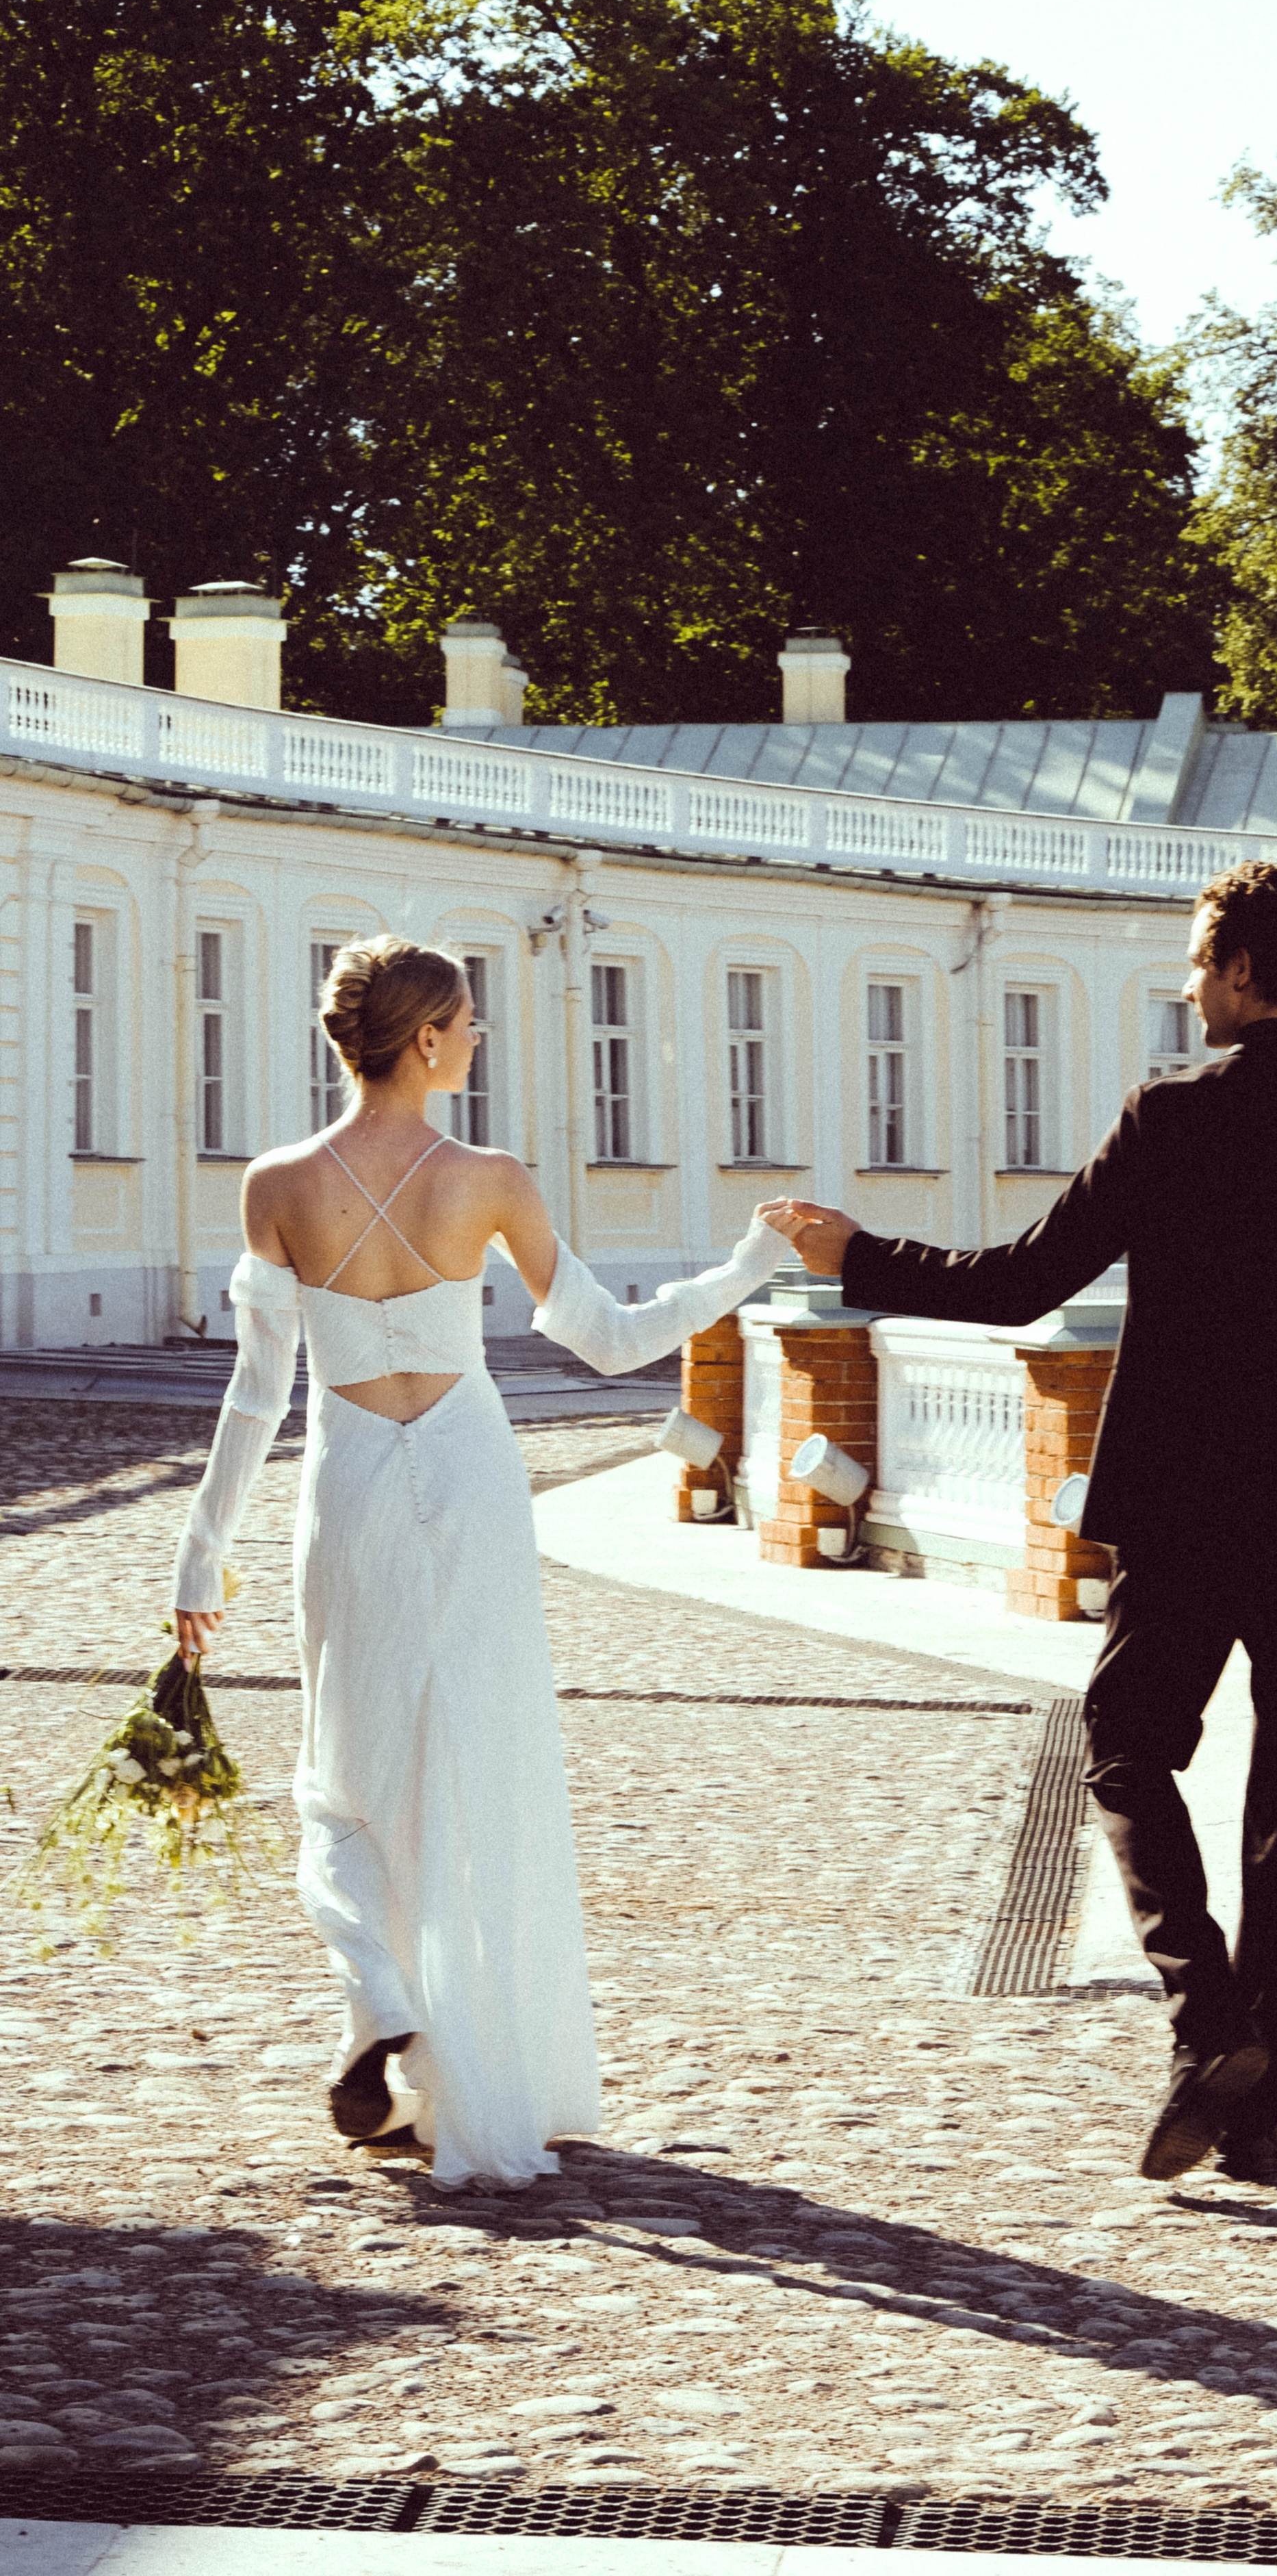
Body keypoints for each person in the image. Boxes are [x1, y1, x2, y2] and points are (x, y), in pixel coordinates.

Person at [778, 860, 1277, 2184]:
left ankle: (1208, 2024)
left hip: (1188, 1506)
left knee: (1126, 1750)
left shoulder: (1174, 1114)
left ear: (1240, 968)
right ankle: (1260, 2090)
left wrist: (861, 1258)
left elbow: (1026, 1281)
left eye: (1198, 962)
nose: (1189, 987)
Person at [172, 934, 792, 2189]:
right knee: (479, 1763)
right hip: (469, 1480)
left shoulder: (276, 1183)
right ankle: (459, 2059)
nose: (478, 1036)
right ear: (424, 1040)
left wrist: (200, 1559)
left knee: (344, 1773)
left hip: (349, 1483)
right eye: (466, 1020)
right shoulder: (492, 1180)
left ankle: (382, 2001)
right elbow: (610, 1340)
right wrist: (750, 1266)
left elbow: (256, 1394)